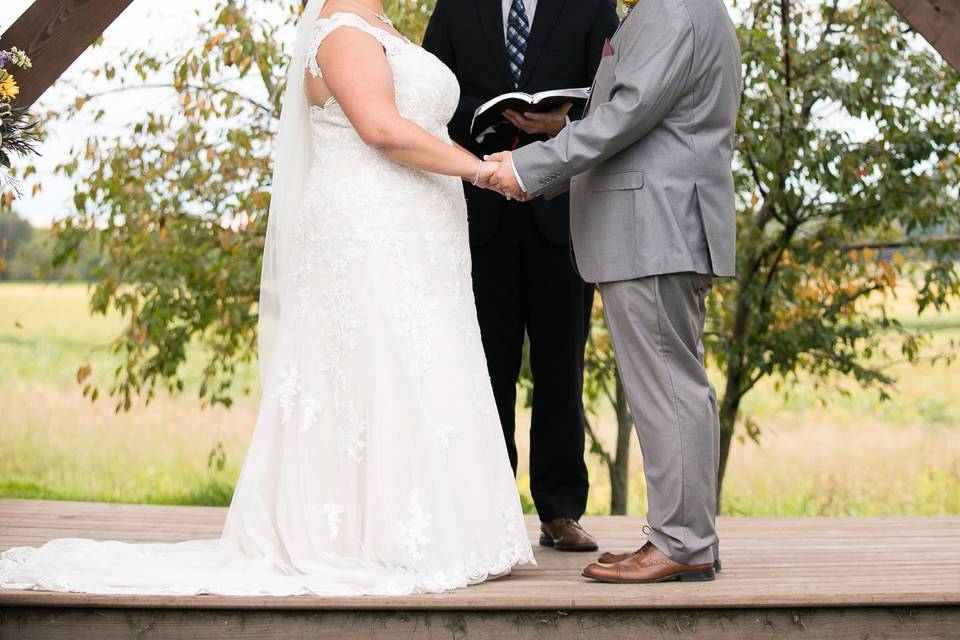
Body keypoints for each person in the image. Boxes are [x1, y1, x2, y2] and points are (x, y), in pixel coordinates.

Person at [0, 0, 534, 596]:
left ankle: (441, 526)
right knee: (379, 367)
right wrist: (482, 173)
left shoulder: (385, 28)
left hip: (417, 233)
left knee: (420, 365)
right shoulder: (342, 30)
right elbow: (380, 129)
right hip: (371, 229)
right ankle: (371, 536)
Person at [484, 0, 742, 583]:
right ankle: (684, 537)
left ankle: (682, 542)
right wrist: (558, 136)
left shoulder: (673, 9)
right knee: (673, 384)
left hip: (654, 225)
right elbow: (639, 116)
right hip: (659, 225)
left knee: (668, 388)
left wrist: (528, 168)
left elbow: (627, 114)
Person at [423, 0, 618, 552]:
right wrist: (481, 123)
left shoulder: (591, 6)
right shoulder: (457, 8)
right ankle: (492, 507)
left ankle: (560, 512)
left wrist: (563, 122)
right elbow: (431, 97)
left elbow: (619, 99)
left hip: (562, 218)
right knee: (487, 370)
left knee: (562, 370)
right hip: (479, 216)